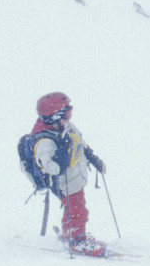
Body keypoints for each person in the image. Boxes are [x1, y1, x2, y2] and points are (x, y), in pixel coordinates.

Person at [28, 92, 108, 257]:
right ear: (53, 118)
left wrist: (93, 159)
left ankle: (71, 231)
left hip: (76, 177)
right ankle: (76, 240)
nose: (69, 117)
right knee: (77, 210)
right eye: (66, 114)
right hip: (64, 182)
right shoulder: (44, 141)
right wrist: (62, 151)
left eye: (70, 112)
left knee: (77, 207)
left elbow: (80, 141)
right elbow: (54, 168)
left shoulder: (65, 126)